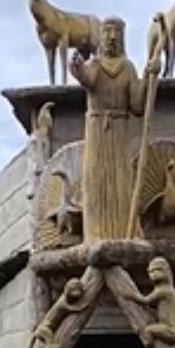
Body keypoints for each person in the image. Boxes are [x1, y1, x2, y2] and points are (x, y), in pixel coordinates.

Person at [70, 17, 152, 241]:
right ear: (101, 37)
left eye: (116, 32)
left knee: (120, 180)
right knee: (96, 180)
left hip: (119, 130)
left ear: (122, 38)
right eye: (107, 32)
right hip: (97, 130)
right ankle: (95, 232)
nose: (112, 37)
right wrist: (77, 68)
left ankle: (123, 230)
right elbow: (87, 79)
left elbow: (137, 106)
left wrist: (148, 77)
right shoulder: (95, 65)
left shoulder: (127, 68)